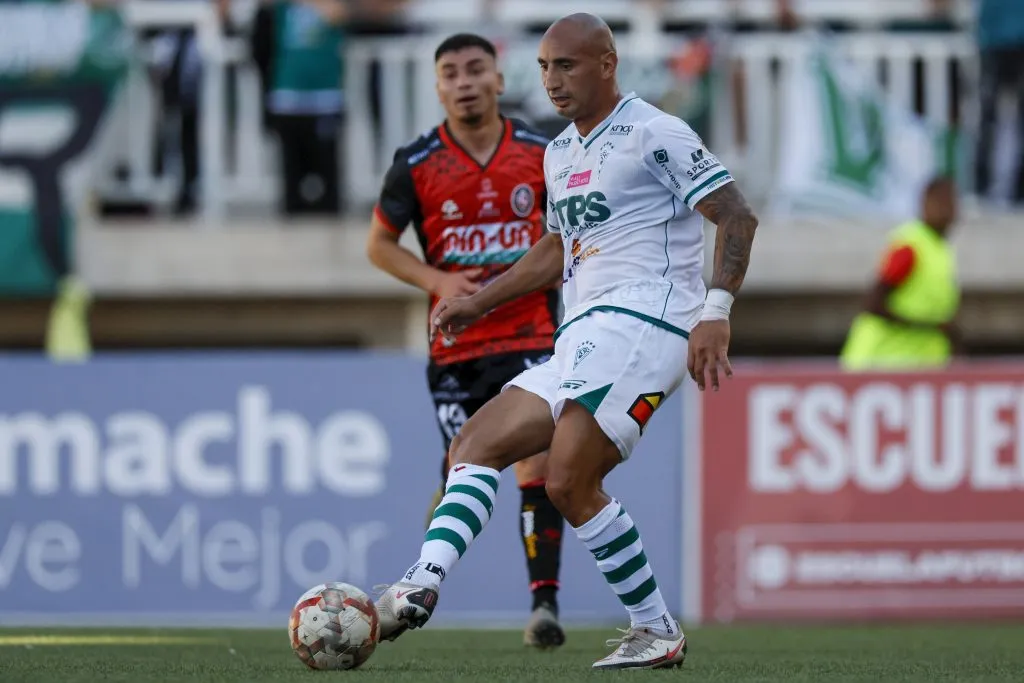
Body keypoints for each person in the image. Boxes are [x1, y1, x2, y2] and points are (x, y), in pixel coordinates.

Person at [373, 13, 759, 670]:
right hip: (578, 334)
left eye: (567, 66)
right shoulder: (560, 151)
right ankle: (419, 584)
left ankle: (654, 627)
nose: (552, 81)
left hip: (648, 324)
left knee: (568, 478)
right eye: (545, 67)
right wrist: (477, 300)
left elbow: (735, 213)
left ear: (608, 64)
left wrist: (716, 309)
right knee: (476, 444)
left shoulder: (654, 132)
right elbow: (558, 248)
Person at [365, 33, 567, 649]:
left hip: (532, 335)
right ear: (437, 87)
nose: (464, 81)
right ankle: (420, 586)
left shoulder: (542, 152)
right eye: (450, 72)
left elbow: (567, 238)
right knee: (465, 469)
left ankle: (544, 608)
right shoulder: (418, 161)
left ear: (500, 81)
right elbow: (378, 244)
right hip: (456, 350)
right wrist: (437, 278)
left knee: (537, 463)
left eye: (476, 69)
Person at [840, 176, 962, 370]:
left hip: (917, 368)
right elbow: (873, 303)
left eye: (954, 203)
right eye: (944, 203)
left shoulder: (941, 250)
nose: (951, 211)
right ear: (925, 203)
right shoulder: (910, 247)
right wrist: (930, 326)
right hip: (880, 365)